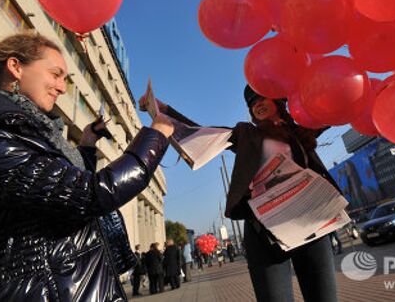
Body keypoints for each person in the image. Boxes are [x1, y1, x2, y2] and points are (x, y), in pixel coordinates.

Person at [0, 33, 174, 301]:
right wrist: (155, 137)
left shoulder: (26, 132)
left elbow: (57, 190)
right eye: (55, 74)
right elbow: (91, 194)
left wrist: (85, 145)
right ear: (15, 67)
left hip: (60, 285)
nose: (62, 88)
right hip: (38, 291)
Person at [142, 85, 342, 302]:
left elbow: (335, 110)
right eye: (251, 103)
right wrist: (162, 109)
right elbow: (199, 133)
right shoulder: (246, 134)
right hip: (265, 233)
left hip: (310, 223)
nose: (257, 104)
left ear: (278, 101)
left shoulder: (298, 130)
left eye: (261, 97)